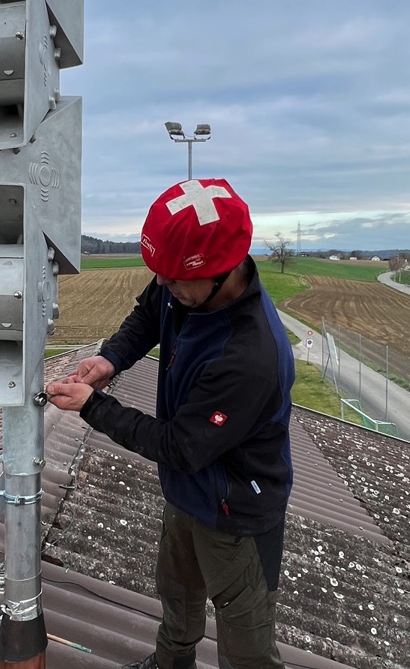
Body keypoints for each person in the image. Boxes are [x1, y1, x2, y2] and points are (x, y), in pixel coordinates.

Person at [46, 178, 295, 669]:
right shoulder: (183, 282)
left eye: (174, 278)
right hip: (188, 491)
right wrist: (112, 358)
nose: (162, 284)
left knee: (246, 643)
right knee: (177, 595)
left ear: (222, 273)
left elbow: (180, 446)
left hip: (237, 510)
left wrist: (93, 407)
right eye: (158, 272)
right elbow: (150, 311)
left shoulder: (250, 356)